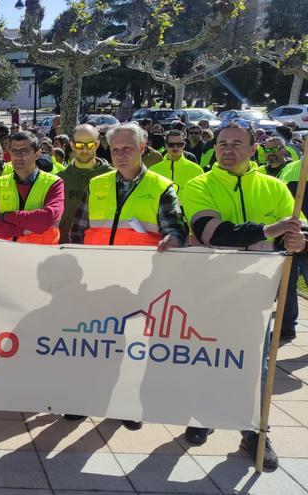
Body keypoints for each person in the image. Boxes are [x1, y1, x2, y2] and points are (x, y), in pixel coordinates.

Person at [178, 120, 303, 470]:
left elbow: (295, 231)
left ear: (253, 149)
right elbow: (210, 233)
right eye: (221, 143)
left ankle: (256, 432)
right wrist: (270, 229)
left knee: (257, 367)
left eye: (236, 143)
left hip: (258, 297)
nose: (227, 149)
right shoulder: (198, 185)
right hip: (210, 293)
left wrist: (296, 240)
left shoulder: (275, 187)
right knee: (208, 358)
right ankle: (202, 416)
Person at [68, 121, 187, 429]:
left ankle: (127, 404)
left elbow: (175, 227)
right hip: (98, 282)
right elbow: (79, 230)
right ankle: (84, 400)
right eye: (115, 149)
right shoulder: (98, 184)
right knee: (93, 345)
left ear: (143, 149)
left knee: (133, 348)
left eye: (128, 149)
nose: (120, 155)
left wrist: (173, 239)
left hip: (139, 284)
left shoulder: (161, 187)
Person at [0, 131, 65, 243]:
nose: (18, 157)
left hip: (41, 255)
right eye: (14, 151)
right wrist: (21, 230)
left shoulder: (54, 183)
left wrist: (6, 216)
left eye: (24, 151)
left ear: (38, 154)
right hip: (7, 255)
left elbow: (48, 218)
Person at [56, 124, 113, 243]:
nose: (85, 150)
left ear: (97, 145)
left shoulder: (112, 177)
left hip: (98, 248)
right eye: (80, 145)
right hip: (63, 246)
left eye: (90, 145)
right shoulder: (59, 179)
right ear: (72, 145)